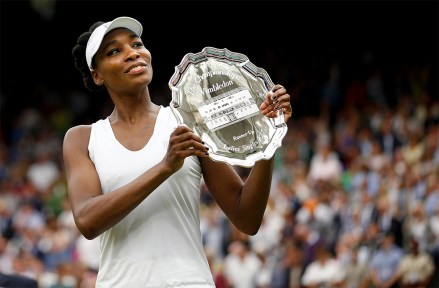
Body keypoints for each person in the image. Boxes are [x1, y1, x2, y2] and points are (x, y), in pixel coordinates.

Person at [64, 16, 292, 287]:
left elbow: (247, 217)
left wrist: (269, 138)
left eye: (136, 44)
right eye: (115, 51)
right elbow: (88, 221)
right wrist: (164, 168)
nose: (132, 53)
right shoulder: (82, 138)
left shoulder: (188, 120)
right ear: (97, 75)